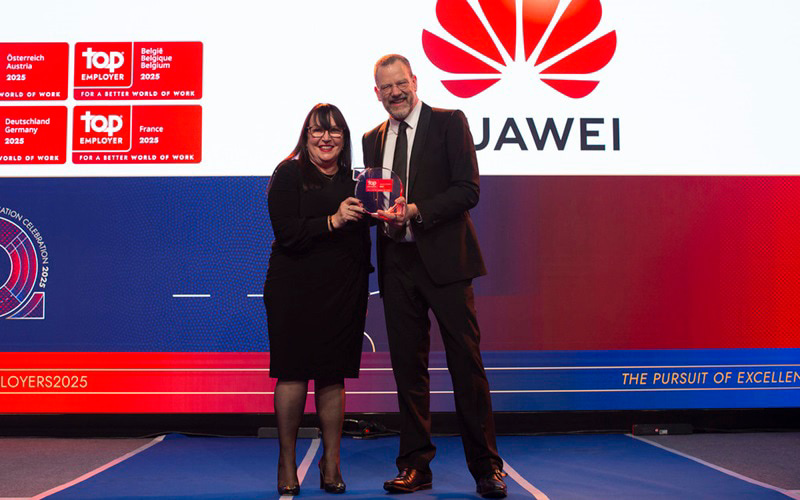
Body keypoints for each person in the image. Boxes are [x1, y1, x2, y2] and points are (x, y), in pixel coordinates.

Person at [362, 55, 507, 498]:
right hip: (397, 265)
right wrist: (377, 215)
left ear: (414, 80)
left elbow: (468, 190)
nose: (395, 93)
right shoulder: (371, 139)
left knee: (466, 366)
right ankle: (414, 466)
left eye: (400, 83)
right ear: (377, 93)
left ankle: (486, 468)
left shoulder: (449, 122)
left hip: (447, 264)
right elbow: (378, 198)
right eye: (386, 87)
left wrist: (416, 211)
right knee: (408, 371)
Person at [264, 103, 370, 496]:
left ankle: (332, 462)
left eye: (334, 130)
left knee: (332, 374)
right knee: (292, 372)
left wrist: (392, 214)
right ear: (306, 136)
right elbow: (287, 232)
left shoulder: (359, 182)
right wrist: (333, 220)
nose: (326, 138)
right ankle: (287, 461)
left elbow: (375, 228)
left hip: (343, 289)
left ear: (344, 138)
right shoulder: (288, 173)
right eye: (317, 130)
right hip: (293, 288)